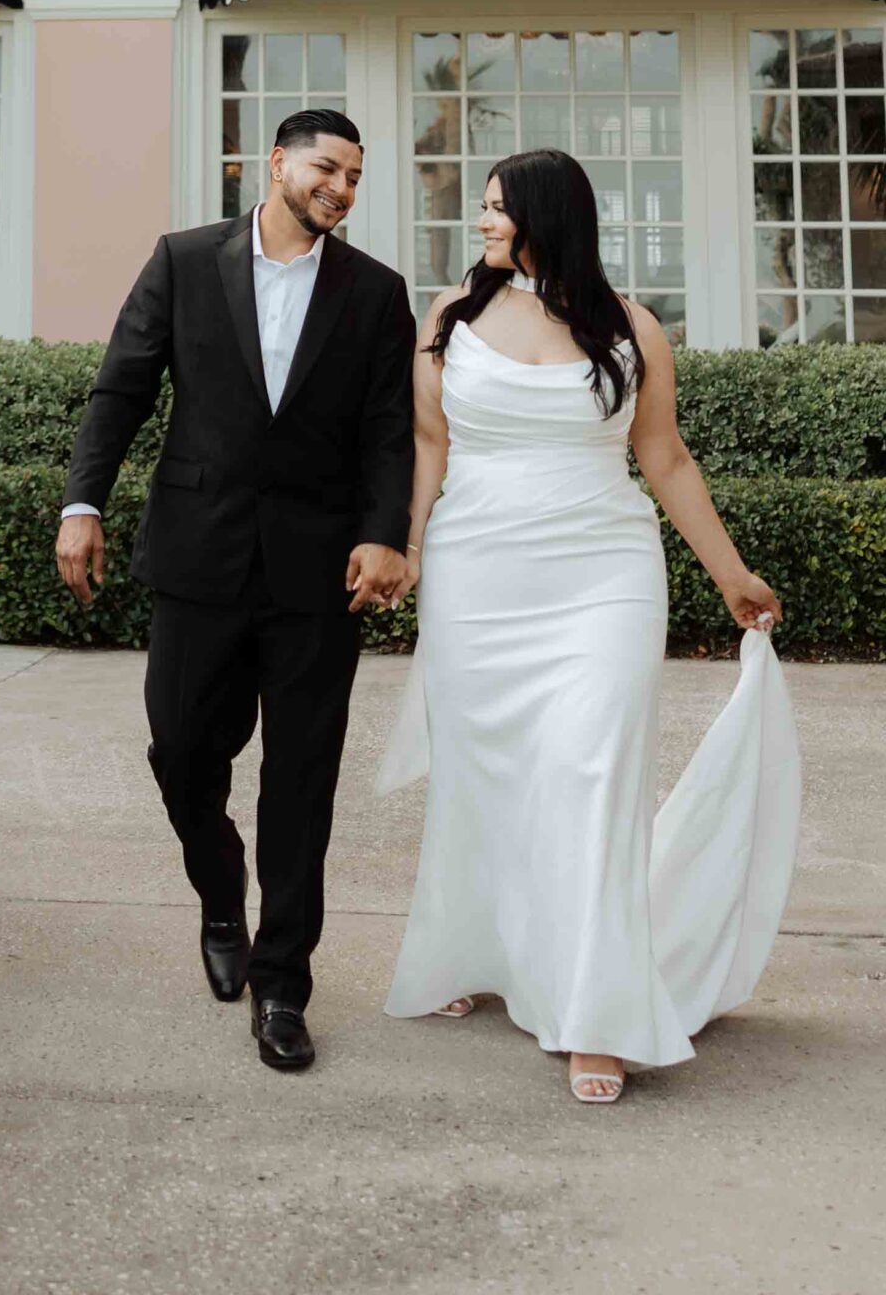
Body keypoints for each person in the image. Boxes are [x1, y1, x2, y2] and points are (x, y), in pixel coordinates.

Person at [377, 148, 802, 1105]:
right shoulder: (449, 317)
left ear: (543, 217)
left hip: (602, 576)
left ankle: (595, 1012)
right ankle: (470, 948)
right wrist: (403, 547)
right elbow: (428, 444)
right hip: (477, 575)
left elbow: (667, 458)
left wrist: (729, 573)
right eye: (482, 210)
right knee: (484, 774)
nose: (481, 224)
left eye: (494, 210)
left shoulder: (631, 329)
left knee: (592, 774)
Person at [56, 109, 415, 1074]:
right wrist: (81, 503)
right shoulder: (183, 260)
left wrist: (388, 533)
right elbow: (121, 388)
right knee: (180, 753)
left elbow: (389, 428)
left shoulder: (376, 293)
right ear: (275, 163)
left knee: (300, 786)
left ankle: (282, 986)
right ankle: (221, 895)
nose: (338, 189)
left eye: (352, 178)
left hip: (319, 576)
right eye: (324, 169)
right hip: (198, 559)